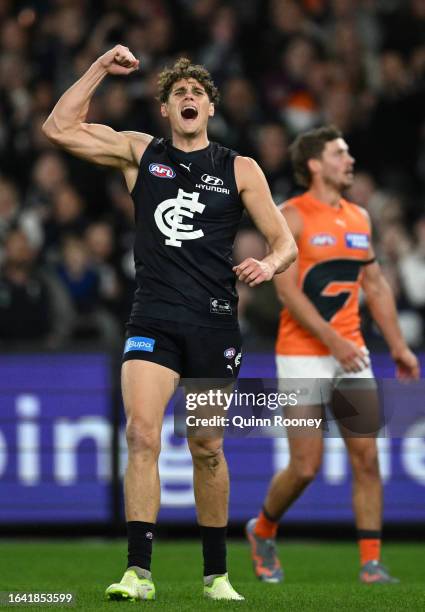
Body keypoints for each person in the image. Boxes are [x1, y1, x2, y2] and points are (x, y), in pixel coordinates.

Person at [42, 46, 297, 601]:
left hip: (211, 326)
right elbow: (60, 129)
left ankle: (216, 577)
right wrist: (98, 69)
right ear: (164, 109)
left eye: (197, 93)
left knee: (206, 446)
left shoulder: (239, 168)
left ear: (210, 108)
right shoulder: (141, 153)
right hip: (152, 318)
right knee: (141, 435)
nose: (188, 98)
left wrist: (268, 264)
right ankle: (138, 572)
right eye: (178, 92)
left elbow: (286, 243)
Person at [246, 125, 419, 584]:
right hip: (303, 356)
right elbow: (287, 293)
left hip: (351, 355)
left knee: (366, 459)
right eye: (341, 153)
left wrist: (398, 345)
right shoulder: (291, 217)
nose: (350, 160)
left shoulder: (360, 217)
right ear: (316, 164)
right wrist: (334, 341)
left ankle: (370, 563)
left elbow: (376, 285)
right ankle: (262, 530)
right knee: (305, 466)